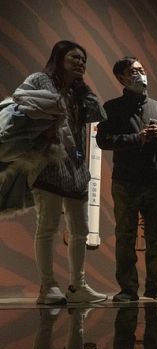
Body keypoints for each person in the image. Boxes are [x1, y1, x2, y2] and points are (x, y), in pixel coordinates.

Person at [12, 40, 107, 304]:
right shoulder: (40, 80)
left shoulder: (76, 91)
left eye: (83, 60)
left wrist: (83, 87)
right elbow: (19, 100)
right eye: (75, 57)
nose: (80, 63)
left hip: (75, 167)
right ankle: (48, 286)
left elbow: (99, 114)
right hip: (48, 163)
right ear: (59, 58)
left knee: (80, 229)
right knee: (48, 226)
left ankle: (78, 286)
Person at [96, 57, 157, 303]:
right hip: (125, 182)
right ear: (121, 78)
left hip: (156, 182)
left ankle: (154, 287)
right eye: (134, 71)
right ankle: (127, 289)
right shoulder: (112, 108)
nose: (141, 74)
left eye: (142, 69)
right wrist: (136, 139)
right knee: (125, 236)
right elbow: (103, 141)